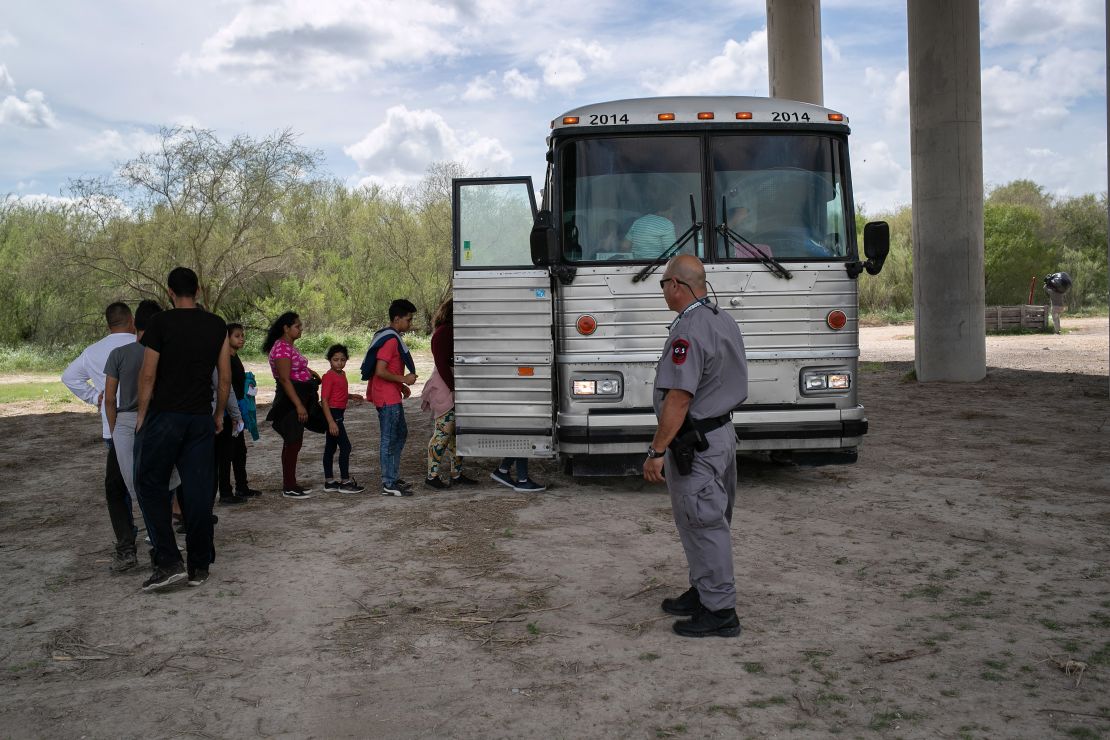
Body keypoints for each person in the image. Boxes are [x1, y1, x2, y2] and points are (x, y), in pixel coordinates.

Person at [643, 254, 748, 638]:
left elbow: (679, 398)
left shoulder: (690, 330)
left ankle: (720, 611)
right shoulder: (721, 319)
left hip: (696, 443)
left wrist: (656, 451)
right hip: (718, 436)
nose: (663, 290)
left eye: (663, 283)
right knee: (702, 521)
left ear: (677, 286)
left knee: (704, 524)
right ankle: (704, 590)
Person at [134, 267, 231, 592]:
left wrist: (141, 414)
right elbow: (225, 377)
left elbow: (148, 375)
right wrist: (218, 414)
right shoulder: (216, 325)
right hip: (200, 417)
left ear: (169, 292)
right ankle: (199, 566)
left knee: (150, 484)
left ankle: (168, 562)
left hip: (166, 416)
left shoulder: (160, 323)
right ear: (199, 290)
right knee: (199, 490)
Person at [61, 302, 136, 572]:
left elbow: (69, 376)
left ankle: (127, 545)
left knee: (117, 489)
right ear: (131, 320)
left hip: (113, 426)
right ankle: (160, 538)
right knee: (153, 481)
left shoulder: (93, 352)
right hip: (145, 422)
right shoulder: (143, 343)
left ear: (108, 325)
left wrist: (95, 396)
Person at [421, 298, 478, 489]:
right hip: (445, 388)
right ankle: (432, 476)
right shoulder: (444, 332)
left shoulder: (447, 331)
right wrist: (454, 388)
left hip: (449, 385)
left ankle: (455, 473)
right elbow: (442, 364)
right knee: (443, 433)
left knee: (454, 434)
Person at [263, 312, 320, 499]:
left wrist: (309, 372)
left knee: (293, 441)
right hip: (290, 401)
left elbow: (295, 367)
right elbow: (285, 379)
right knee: (293, 441)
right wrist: (299, 406)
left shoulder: (287, 347)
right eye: (297, 326)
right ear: (286, 328)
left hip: (299, 396)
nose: (300, 328)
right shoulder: (281, 348)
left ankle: (291, 482)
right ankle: (289, 486)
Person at [365, 299, 419, 497]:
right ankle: (388, 482)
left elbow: (388, 369)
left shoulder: (390, 336)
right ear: (397, 319)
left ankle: (393, 476)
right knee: (389, 438)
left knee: (400, 434)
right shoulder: (390, 340)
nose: (410, 324)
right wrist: (403, 378)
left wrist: (401, 385)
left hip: (391, 394)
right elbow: (380, 370)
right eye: (408, 320)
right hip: (387, 398)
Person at [215, 323, 260, 503]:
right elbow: (225, 386)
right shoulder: (223, 358)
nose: (241, 339)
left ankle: (242, 486)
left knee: (240, 451)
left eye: (242, 335)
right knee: (226, 453)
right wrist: (231, 413)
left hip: (238, 411)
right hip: (227, 413)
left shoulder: (235, 357)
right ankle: (225, 492)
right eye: (236, 336)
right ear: (226, 338)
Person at [321, 343, 366, 494]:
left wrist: (351, 396)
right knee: (345, 447)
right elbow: (325, 400)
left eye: (342, 359)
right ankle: (345, 482)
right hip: (333, 415)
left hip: (338, 414)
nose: (339, 363)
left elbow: (338, 393)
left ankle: (329, 482)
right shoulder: (328, 377)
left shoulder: (342, 374)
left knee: (331, 447)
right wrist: (331, 422)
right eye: (335, 360)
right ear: (329, 360)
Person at [623, 192, 677, 260]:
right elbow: (673, 255)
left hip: (636, 266)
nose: (672, 215)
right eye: (672, 211)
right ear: (664, 211)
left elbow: (624, 245)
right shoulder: (667, 224)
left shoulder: (638, 222)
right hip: (657, 267)